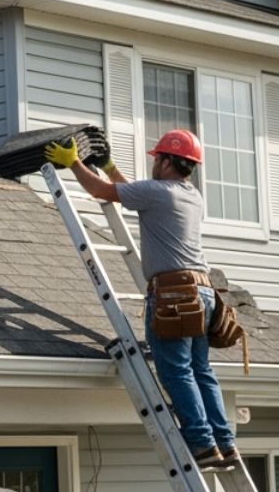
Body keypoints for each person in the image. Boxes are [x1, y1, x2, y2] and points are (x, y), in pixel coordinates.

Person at [45, 129, 238, 471]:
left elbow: (101, 192)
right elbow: (130, 191)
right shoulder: (191, 195)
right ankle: (222, 442)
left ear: (166, 161)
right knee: (200, 370)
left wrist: (73, 162)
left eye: (156, 159)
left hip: (175, 293)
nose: (154, 164)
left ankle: (201, 444)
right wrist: (109, 165)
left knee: (177, 371)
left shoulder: (155, 192)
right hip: (205, 293)